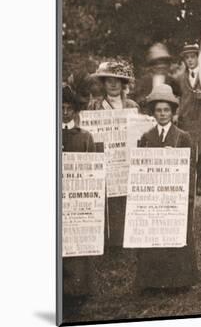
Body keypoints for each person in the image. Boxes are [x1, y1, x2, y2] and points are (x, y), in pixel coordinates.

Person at [135, 84, 198, 293]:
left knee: (176, 237)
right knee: (153, 237)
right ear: (153, 113)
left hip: (175, 198)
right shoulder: (146, 138)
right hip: (153, 199)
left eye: (166, 110)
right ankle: (152, 281)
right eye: (158, 110)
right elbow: (140, 170)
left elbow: (190, 168)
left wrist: (187, 197)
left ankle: (178, 282)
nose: (162, 114)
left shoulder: (183, 137)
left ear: (173, 112)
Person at [87, 59, 140, 248]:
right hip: (106, 161)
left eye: (117, 80)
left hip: (126, 162)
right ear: (103, 83)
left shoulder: (132, 106)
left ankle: (126, 241)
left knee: (125, 202)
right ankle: (109, 244)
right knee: (108, 204)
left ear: (123, 83)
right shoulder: (94, 106)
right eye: (109, 80)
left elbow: (139, 135)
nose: (113, 84)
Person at [61, 86, 97, 314]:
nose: (65, 112)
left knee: (77, 245)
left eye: (68, 109)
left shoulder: (84, 137)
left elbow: (93, 170)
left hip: (78, 201)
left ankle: (78, 290)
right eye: (61, 108)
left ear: (75, 111)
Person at [177, 44, 201, 196]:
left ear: (197, 58)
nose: (190, 61)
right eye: (187, 58)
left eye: (192, 57)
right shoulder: (181, 78)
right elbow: (178, 98)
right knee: (188, 151)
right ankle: (188, 184)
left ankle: (199, 185)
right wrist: (178, 114)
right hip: (186, 119)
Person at [134, 43, 181, 109]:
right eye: (156, 63)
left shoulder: (172, 81)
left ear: (167, 65)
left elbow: (179, 99)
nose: (160, 66)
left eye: (163, 63)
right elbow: (137, 97)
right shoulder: (144, 81)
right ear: (151, 66)